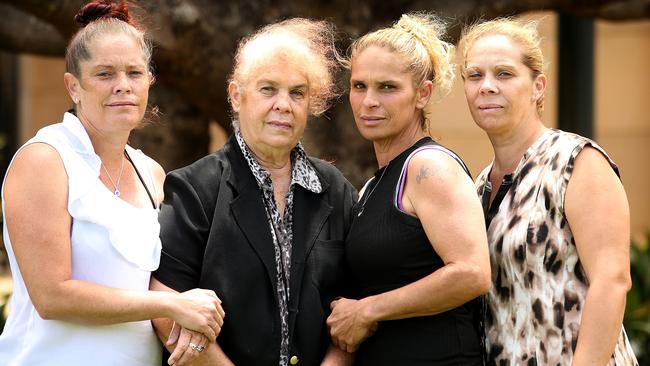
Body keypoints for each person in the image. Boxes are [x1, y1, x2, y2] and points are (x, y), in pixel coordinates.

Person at [0, 1, 224, 365]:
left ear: (149, 81)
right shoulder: (45, 159)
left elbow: (165, 283)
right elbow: (52, 296)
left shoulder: (151, 174)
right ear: (73, 86)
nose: (123, 86)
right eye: (105, 74)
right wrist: (173, 304)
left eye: (134, 73)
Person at [150, 18, 357, 366]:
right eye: (268, 89)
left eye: (297, 93)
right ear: (236, 96)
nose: (283, 105)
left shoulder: (335, 190)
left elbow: (354, 304)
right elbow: (165, 307)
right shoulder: (195, 187)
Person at [458, 18, 638, 365]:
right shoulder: (478, 186)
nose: (487, 86)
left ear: (538, 86)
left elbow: (612, 280)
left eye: (504, 74)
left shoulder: (577, 161)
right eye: (475, 75)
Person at [326, 13, 491, 365]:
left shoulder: (429, 168)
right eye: (359, 86)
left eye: (387, 87)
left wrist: (367, 310)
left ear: (422, 94)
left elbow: (471, 272)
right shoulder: (374, 183)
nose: (369, 101)